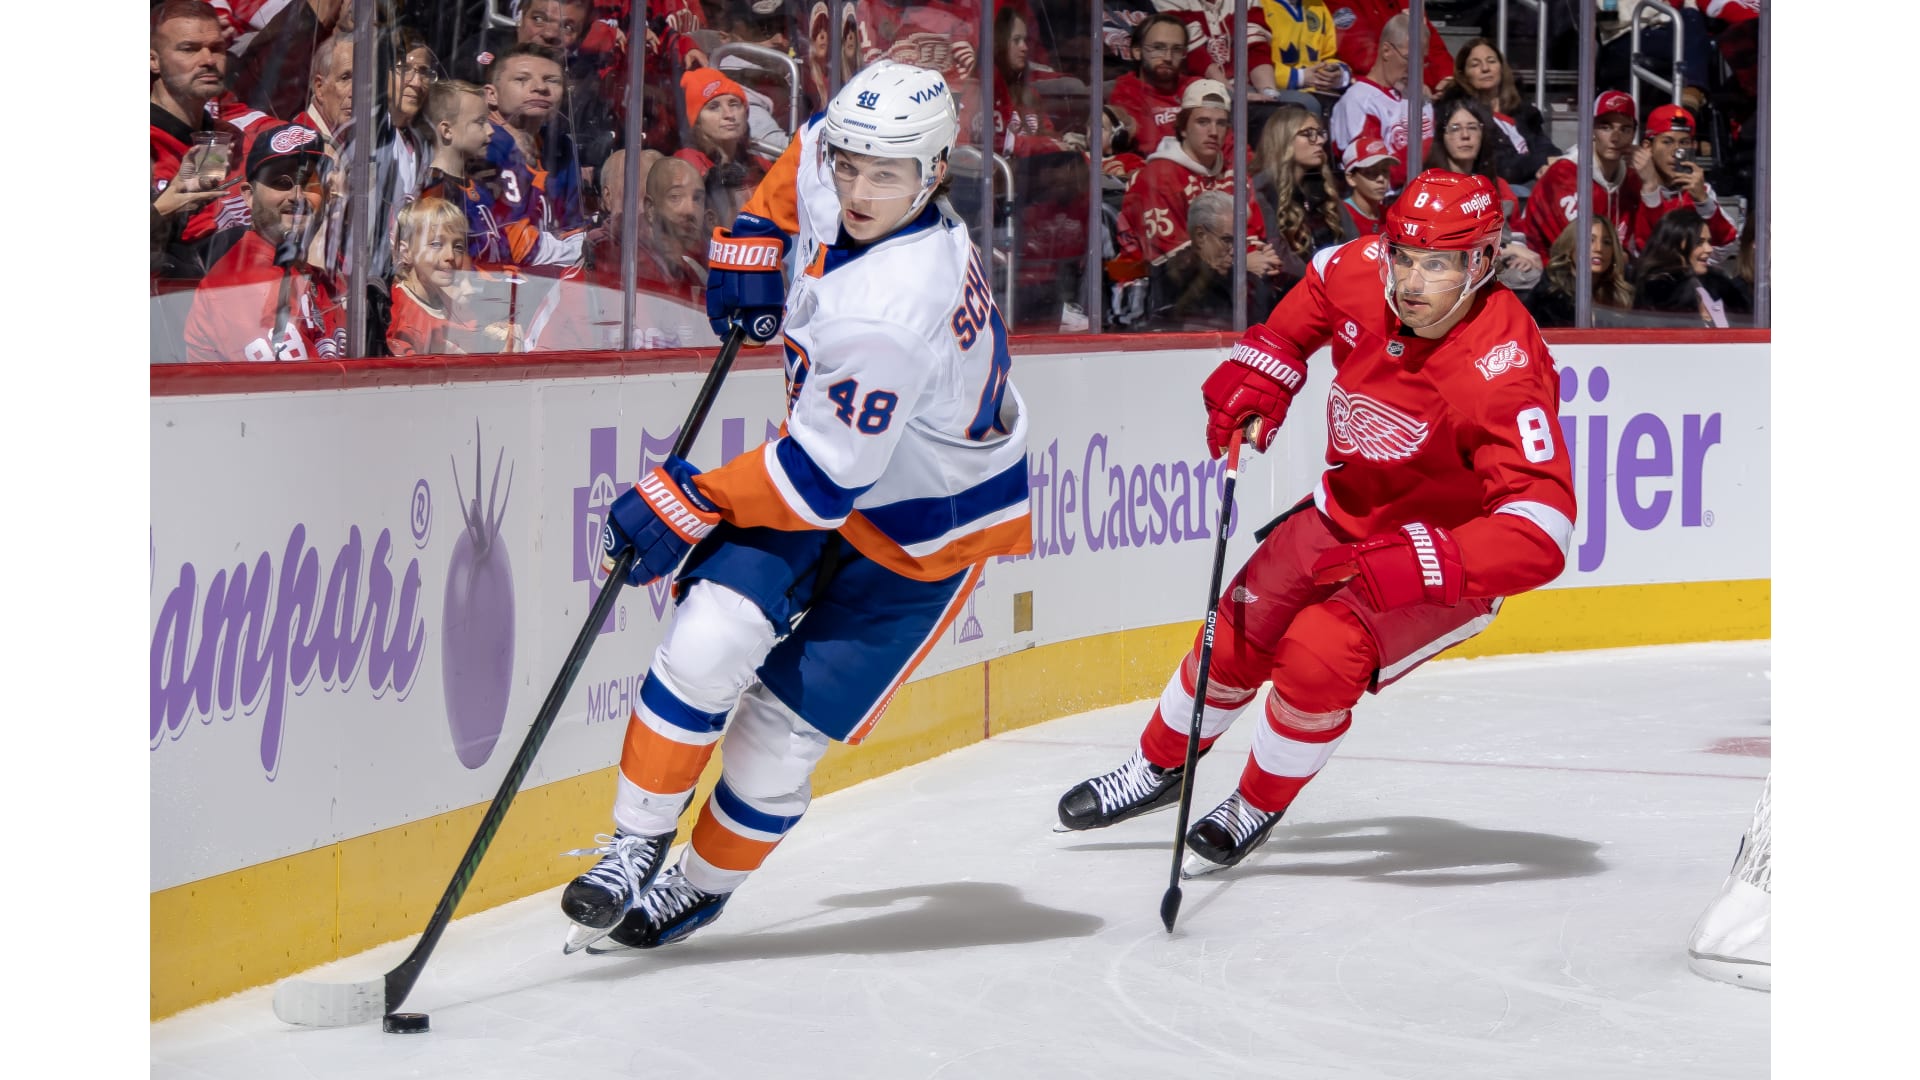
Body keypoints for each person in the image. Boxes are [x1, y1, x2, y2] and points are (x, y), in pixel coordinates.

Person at [559, 60, 1033, 952]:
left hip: (923, 526)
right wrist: (754, 232)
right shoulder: (846, 158)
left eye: (884, 175)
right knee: (707, 640)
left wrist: (693, 498)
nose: (856, 190)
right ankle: (632, 846)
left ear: (935, 173)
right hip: (837, 468)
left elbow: (818, 484)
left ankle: (695, 887)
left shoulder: (895, 307)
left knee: (773, 741)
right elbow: (809, 151)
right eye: (852, 166)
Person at [1055, 170, 1576, 876]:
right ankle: (1157, 767)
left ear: (1481, 262)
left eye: (1437, 264)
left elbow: (1541, 527)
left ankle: (1255, 801)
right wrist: (1265, 370)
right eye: (1404, 256)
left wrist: (1426, 561)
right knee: (1236, 632)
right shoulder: (1359, 269)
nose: (1411, 281)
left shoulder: (1503, 370)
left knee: (1316, 655)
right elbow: (1307, 306)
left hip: (1436, 557)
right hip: (1342, 511)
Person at [183, 123, 346, 363]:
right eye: (281, 182)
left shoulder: (316, 277)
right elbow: (296, 382)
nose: (297, 196)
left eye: (309, 182)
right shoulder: (242, 280)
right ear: (249, 196)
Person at [420, 79, 583, 270]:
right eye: (480, 122)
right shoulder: (436, 194)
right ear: (447, 131)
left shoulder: (480, 187)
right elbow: (442, 265)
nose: (490, 131)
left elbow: (505, 245)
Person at [1118, 79, 1266, 266]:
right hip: (1157, 278)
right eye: (1202, 122)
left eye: (1221, 123)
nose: (1213, 132)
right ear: (1183, 129)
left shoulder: (1234, 174)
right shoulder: (1157, 177)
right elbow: (1170, 261)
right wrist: (1242, 264)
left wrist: (1262, 259)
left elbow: (1255, 234)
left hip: (1228, 272)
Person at [151, 1, 244, 279]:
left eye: (216, 48)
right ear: (153, 60)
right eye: (189, 49)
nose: (208, 60)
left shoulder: (233, 138)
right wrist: (162, 211)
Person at [1518, 90, 1642, 265]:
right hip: (1542, 267)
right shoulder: (1564, 173)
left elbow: (1648, 245)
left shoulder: (1632, 178)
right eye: (1605, 127)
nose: (1615, 138)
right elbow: (1577, 251)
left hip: (1601, 270)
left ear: (1633, 135)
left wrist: (1651, 182)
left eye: (1625, 129)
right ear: (1591, 130)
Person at [386, 197, 505, 356]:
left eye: (458, 247)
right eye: (436, 244)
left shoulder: (449, 304)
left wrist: (492, 337)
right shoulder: (400, 315)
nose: (450, 256)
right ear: (406, 252)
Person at [1145, 190, 1279, 331]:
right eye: (1227, 240)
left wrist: (1264, 282)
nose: (1235, 251)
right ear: (1200, 236)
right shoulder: (1169, 280)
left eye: (1240, 242)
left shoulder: (1243, 280)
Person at [1328, 12, 1433, 189]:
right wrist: (1431, 146)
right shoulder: (1358, 101)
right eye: (1410, 58)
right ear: (1386, 51)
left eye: (1422, 61)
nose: (1416, 68)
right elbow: (1372, 173)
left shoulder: (1420, 98)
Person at [1251, 104, 1350, 282]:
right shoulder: (1262, 191)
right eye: (1308, 134)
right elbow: (1279, 255)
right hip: (1291, 289)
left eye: (1320, 133)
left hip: (1331, 285)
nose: (1319, 141)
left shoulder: (1324, 189)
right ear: (1284, 139)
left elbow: (1351, 243)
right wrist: (1321, 282)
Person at [1628, 104, 1738, 259]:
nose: (1677, 152)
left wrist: (1703, 201)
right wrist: (1650, 191)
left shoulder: (1700, 191)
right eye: (1667, 142)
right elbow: (1645, 251)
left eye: (1684, 143)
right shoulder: (1631, 187)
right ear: (1648, 147)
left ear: (1694, 146)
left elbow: (1726, 247)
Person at [1451, 36, 1558, 186]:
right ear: (1464, 75)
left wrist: (1552, 163)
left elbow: (1546, 147)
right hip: (1500, 187)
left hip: (1536, 179)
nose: (1485, 68)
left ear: (1501, 67)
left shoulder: (1522, 110)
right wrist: (1540, 163)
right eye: (1475, 65)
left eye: (1491, 61)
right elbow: (1499, 168)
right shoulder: (1464, 115)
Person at [993, 6, 1087, 158]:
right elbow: (998, 143)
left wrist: (1057, 144)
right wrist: (1042, 145)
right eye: (1016, 40)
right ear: (1000, 43)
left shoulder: (1030, 94)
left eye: (1025, 40)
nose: (1024, 48)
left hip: (1036, 168)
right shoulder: (987, 93)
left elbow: (1050, 135)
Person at [1630, 211, 1750, 328]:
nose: (1709, 249)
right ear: (1676, 244)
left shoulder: (1717, 284)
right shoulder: (1658, 291)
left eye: (1709, 242)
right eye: (1699, 242)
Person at [1109, 14, 1197, 160]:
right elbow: (1151, 147)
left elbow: (1226, 141)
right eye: (1158, 48)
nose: (1168, 57)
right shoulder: (1126, 92)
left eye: (1176, 49)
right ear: (1137, 52)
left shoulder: (1196, 87)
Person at [1522, 220, 1633, 328]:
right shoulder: (1549, 295)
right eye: (1590, 240)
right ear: (1570, 247)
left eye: (1607, 242)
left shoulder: (1621, 294)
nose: (1599, 249)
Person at [1152, 0, 1279, 94]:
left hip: (1244, 90)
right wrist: (1235, 97)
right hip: (1194, 91)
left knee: (1281, 110)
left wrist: (1268, 92)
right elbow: (1196, 57)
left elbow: (1256, 50)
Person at [1258, 0, 1348, 95]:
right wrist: (1299, 77)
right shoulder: (1258, 5)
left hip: (1318, 92)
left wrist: (1337, 74)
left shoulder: (1318, 6)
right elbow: (1253, 62)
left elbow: (1329, 55)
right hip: (1274, 92)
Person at [1338, 135, 1394, 237]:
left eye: (1385, 170)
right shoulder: (1340, 216)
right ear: (1351, 178)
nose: (1381, 179)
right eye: (1371, 172)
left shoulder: (1389, 216)